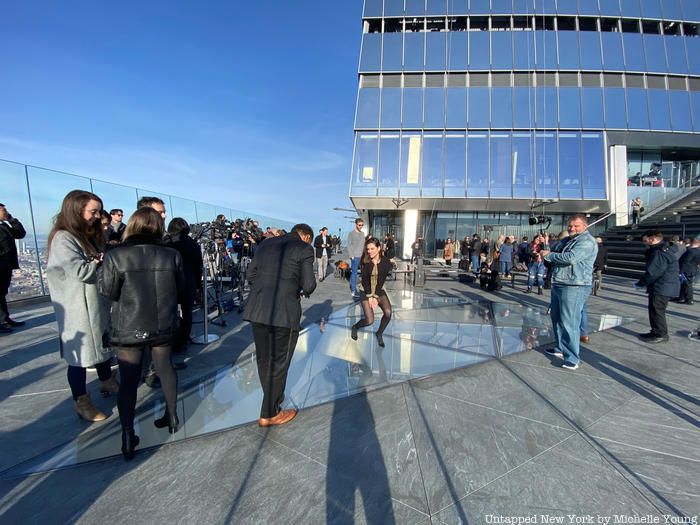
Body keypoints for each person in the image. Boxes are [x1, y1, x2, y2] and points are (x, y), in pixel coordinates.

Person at [98, 207, 184, 460]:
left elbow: (109, 291)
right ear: (158, 227)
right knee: (165, 368)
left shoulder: (116, 255)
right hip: (163, 324)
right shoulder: (172, 255)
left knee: (128, 379)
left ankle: (127, 434)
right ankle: (172, 416)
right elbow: (181, 288)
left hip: (128, 326)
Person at [46, 190, 117, 422]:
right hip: (79, 308)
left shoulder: (85, 236)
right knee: (79, 357)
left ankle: (106, 380)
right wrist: (101, 260)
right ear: (77, 210)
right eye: (93, 211)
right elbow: (79, 271)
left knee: (102, 345)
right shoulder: (64, 238)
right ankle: (81, 401)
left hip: (95, 305)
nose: (97, 216)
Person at [243, 223, 316, 427]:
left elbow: (250, 275)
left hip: (258, 310)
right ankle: (269, 413)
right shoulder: (304, 249)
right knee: (279, 362)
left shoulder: (267, 244)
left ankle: (272, 397)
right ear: (306, 236)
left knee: (264, 360)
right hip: (284, 312)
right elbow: (309, 284)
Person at [541, 214, 598, 370]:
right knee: (557, 318)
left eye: (576, 226)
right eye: (570, 226)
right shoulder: (568, 240)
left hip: (575, 285)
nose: (572, 228)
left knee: (569, 322)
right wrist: (546, 245)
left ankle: (572, 357)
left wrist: (550, 255)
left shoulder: (586, 242)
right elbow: (554, 251)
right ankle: (560, 348)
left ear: (585, 226)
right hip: (560, 282)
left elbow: (571, 258)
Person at [167, 218, 203, 368]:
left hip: (171, 282)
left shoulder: (168, 242)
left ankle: (169, 342)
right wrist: (198, 286)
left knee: (170, 312)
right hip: (189, 282)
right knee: (187, 313)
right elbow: (198, 266)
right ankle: (182, 342)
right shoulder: (193, 244)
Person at [635, 231, 680, 344]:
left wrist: (641, 283)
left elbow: (653, 272)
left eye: (645, 240)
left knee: (657, 311)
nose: (644, 243)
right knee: (655, 310)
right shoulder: (665, 249)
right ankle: (655, 331)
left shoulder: (659, 252)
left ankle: (661, 334)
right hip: (664, 285)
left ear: (652, 239)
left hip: (662, 286)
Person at [350, 238, 393, 347]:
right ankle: (355, 327)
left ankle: (379, 333)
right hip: (366, 289)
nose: (370, 251)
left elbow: (381, 280)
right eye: (368, 249)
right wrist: (370, 297)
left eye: (372, 248)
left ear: (379, 248)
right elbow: (365, 281)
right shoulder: (365, 261)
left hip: (379, 289)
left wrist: (376, 296)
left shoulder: (385, 262)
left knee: (388, 313)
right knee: (369, 320)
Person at [0, 203, 27, 333]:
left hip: (6, 265)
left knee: (2, 293)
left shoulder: (4, 225)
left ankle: (5, 318)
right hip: (1, 264)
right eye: (3, 210)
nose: (6, 212)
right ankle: (2, 321)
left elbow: (20, 234)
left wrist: (11, 219)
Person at [677, 238, 700, 305]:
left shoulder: (690, 251)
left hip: (686, 270)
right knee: (686, 284)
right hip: (693, 270)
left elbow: (685, 262)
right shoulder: (698, 251)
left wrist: (680, 271)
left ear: (692, 243)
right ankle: (682, 297)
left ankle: (689, 299)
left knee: (687, 285)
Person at [347, 218, 365, 298]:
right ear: (356, 224)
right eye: (359, 225)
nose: (361, 226)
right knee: (354, 273)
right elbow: (349, 245)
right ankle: (353, 290)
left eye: (362, 225)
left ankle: (363, 289)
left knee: (364, 273)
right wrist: (352, 256)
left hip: (362, 257)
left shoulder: (362, 234)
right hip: (355, 257)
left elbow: (364, 245)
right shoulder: (351, 234)